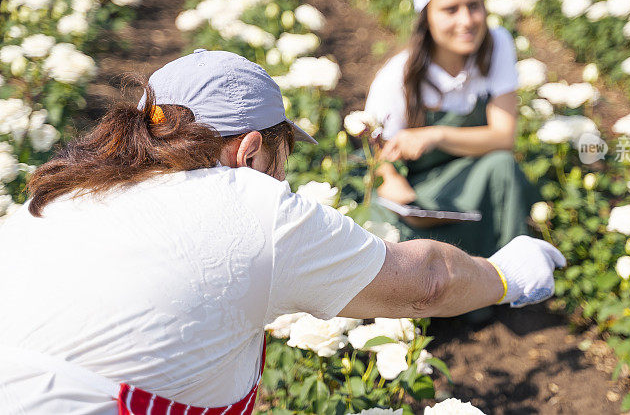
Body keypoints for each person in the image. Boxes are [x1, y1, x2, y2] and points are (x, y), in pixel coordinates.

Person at [0, 49, 565, 414]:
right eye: (282, 155)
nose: (283, 177)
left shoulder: (65, 194)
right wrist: (504, 274)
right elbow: (429, 283)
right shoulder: (246, 202)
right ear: (249, 149)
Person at [366, 0, 540, 258]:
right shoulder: (399, 77)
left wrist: (435, 135)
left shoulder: (496, 45)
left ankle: (510, 279)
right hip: (428, 189)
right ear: (426, 18)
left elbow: (504, 136)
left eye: (474, 6)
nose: (467, 20)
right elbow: (377, 151)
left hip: (480, 172)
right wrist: (390, 179)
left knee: (503, 167)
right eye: (450, 10)